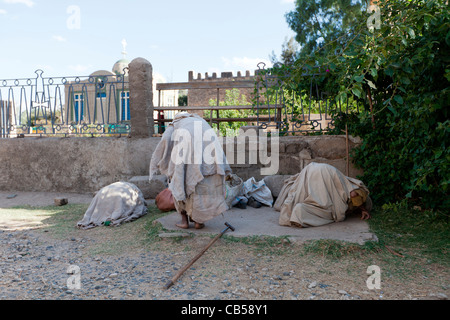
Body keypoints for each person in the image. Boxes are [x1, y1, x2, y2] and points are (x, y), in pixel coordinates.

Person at [149, 112, 231, 229]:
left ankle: (184, 221)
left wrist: (160, 160)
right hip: (206, 155)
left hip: (184, 153)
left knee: (179, 183)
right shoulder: (200, 121)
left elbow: (165, 139)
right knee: (199, 188)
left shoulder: (175, 123)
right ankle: (198, 222)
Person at [274, 162, 372, 228]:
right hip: (323, 173)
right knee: (321, 205)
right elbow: (354, 194)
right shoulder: (353, 191)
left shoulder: (346, 183)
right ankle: (298, 215)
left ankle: (296, 213)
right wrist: (363, 209)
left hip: (311, 168)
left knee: (301, 202)